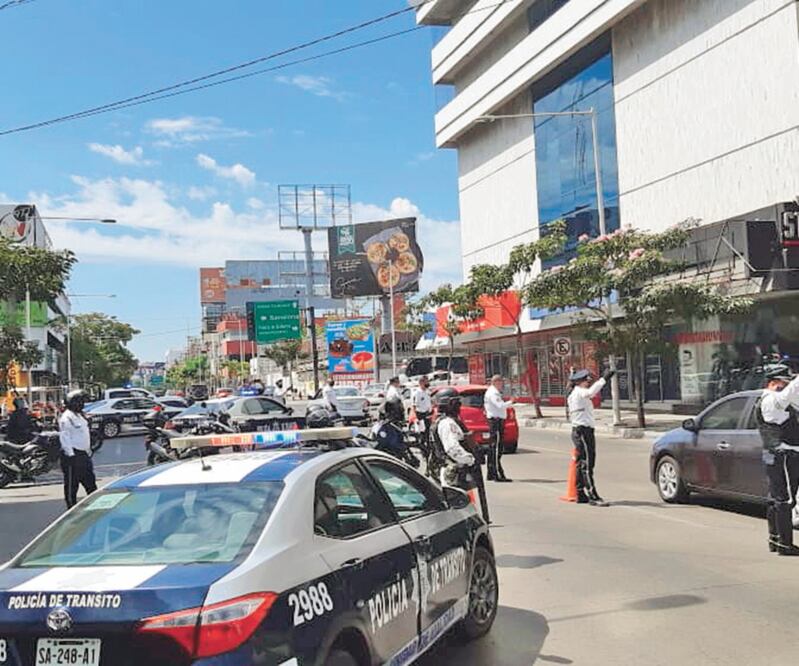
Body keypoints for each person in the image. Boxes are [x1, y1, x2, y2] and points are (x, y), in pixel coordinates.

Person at [755, 367, 799, 555]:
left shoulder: (770, 399)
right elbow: (784, 399)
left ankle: (775, 540)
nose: (787, 386)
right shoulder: (771, 400)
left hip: (776, 454)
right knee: (784, 499)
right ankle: (785, 544)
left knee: (775, 498)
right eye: (785, 382)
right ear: (774, 382)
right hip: (783, 455)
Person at [434, 394, 489, 523]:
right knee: (459, 507)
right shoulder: (447, 424)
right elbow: (452, 449)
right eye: (456, 403)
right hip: (453, 471)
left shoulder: (448, 421)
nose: (459, 406)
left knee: (466, 504)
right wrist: (470, 459)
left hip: (456, 470)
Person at [568, 368, 615, 506]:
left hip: (580, 430)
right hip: (583, 431)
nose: (588, 383)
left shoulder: (575, 393)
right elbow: (591, 392)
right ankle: (592, 495)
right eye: (586, 381)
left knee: (581, 463)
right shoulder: (579, 392)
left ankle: (580, 493)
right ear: (580, 382)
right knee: (587, 463)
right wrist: (604, 379)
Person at [59, 390, 97, 509]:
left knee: (91, 483)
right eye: (80, 402)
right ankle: (71, 509)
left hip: (84, 454)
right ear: (73, 402)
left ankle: (96, 507)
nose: (82, 404)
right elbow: (65, 437)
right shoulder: (67, 418)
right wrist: (70, 455)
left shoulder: (80, 415)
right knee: (72, 486)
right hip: (73, 455)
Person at [483, 375, 514, 482]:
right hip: (495, 421)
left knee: (494, 448)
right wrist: (511, 402)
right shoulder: (493, 393)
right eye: (501, 382)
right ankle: (497, 475)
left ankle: (491, 473)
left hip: (496, 421)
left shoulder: (493, 392)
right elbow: (500, 406)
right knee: (496, 449)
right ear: (496, 382)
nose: (502, 385)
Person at [412, 377, 433, 457]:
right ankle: (423, 451)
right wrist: (416, 418)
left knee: (428, 433)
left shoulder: (427, 392)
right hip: (420, 415)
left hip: (428, 414)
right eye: (426, 382)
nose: (427, 383)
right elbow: (414, 406)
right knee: (422, 434)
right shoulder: (417, 393)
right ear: (421, 383)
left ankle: (428, 450)